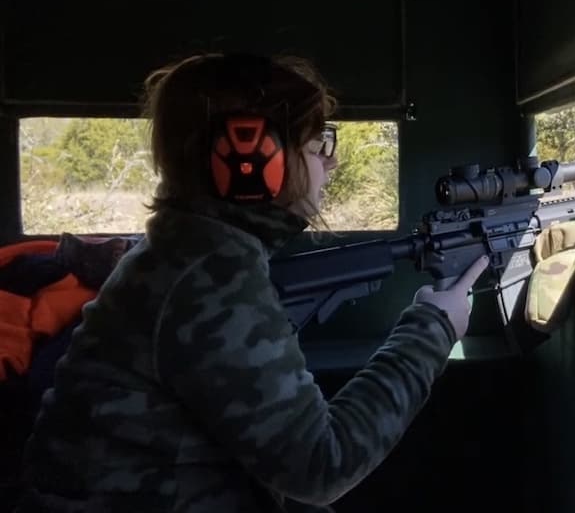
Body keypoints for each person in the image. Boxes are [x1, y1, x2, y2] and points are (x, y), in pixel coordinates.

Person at [18, 53, 487, 512]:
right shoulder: (210, 275)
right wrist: (433, 326)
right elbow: (323, 466)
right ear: (251, 157)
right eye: (316, 144)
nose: (331, 163)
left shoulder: (190, 249)